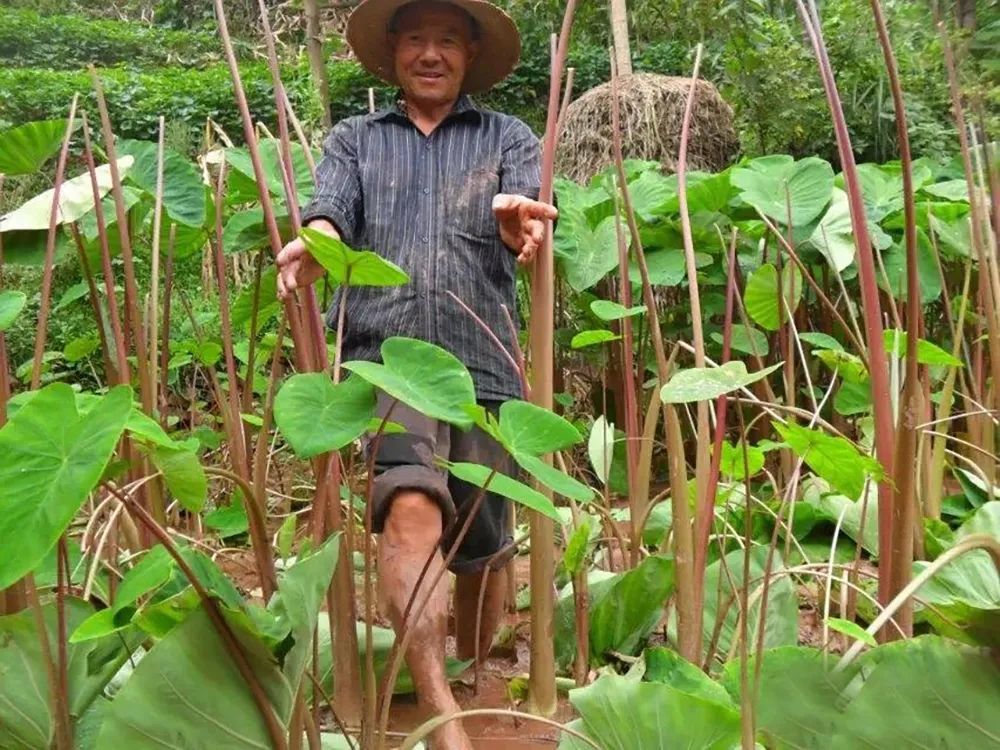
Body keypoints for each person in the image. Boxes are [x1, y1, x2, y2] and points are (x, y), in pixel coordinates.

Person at [276, 0, 556, 746]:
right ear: (393, 51)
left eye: (446, 41)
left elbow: (522, 202)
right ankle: (443, 715)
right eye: (415, 40)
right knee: (408, 510)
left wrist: (517, 217)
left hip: (484, 366)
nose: (430, 54)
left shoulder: (507, 135)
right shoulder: (355, 138)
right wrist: (316, 240)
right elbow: (331, 210)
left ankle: (467, 664)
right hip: (385, 362)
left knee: (481, 546)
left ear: (468, 54)